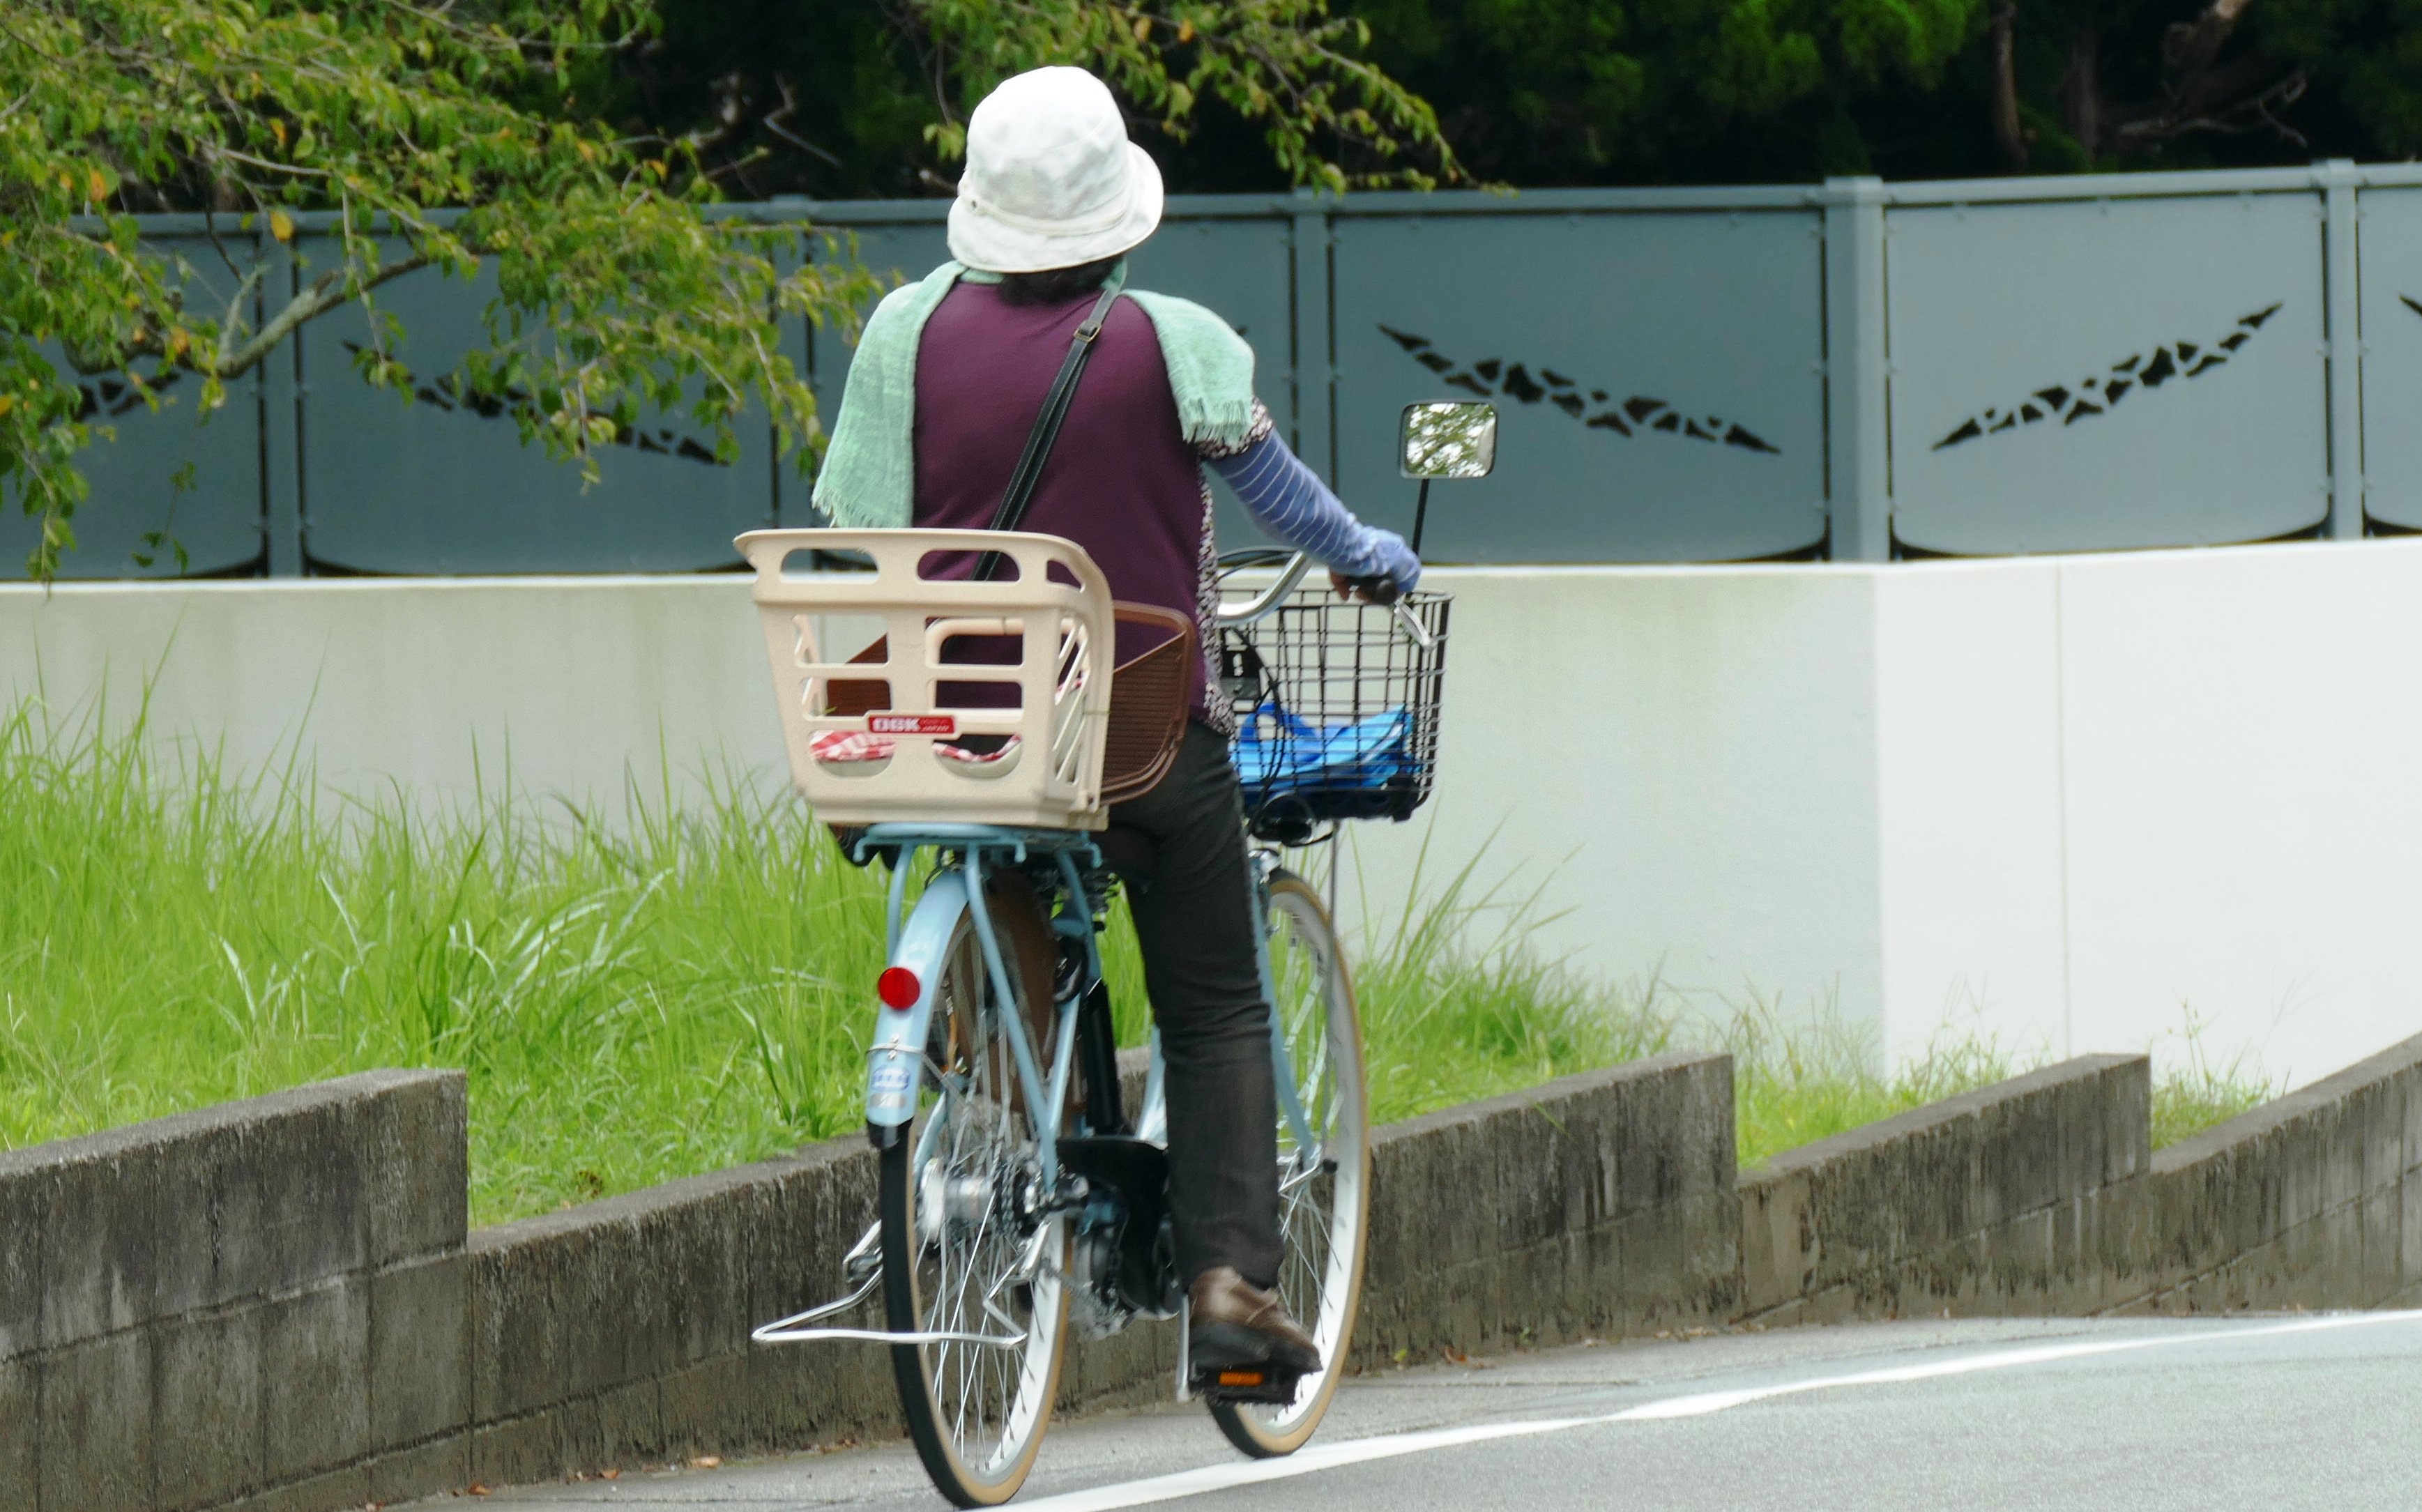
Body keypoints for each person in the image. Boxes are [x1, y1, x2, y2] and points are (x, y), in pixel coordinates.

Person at [812, 64, 1418, 1381]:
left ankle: (1007, 1103)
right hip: (1134, 724)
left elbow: (849, 532)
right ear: (1117, 216)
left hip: (949, 723)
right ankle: (1227, 1290)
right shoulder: (1173, 340)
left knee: (1019, 853)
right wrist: (1371, 552)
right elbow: (1285, 499)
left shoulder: (899, 335)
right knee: (1211, 999)